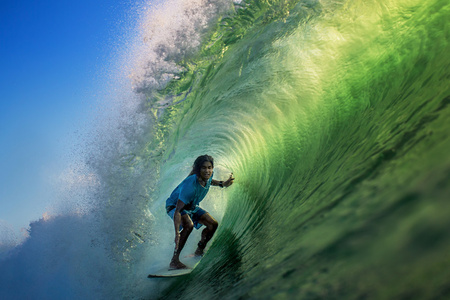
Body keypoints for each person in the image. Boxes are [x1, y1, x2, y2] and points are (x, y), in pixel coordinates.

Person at [165, 154, 234, 269]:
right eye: (203, 168)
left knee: (213, 224)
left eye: (209, 167)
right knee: (188, 225)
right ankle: (174, 261)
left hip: (191, 206)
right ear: (198, 170)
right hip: (174, 206)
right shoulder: (190, 185)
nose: (207, 171)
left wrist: (222, 184)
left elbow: (210, 181)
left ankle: (199, 250)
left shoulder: (208, 176)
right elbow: (177, 211)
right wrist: (177, 232)